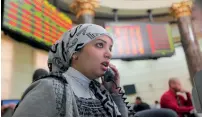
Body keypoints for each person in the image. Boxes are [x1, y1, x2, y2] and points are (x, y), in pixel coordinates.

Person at [13, 24, 128, 117]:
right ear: (75, 53)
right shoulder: (49, 87)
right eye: (99, 45)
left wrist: (115, 94)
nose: (109, 54)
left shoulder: (100, 92)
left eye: (110, 48)